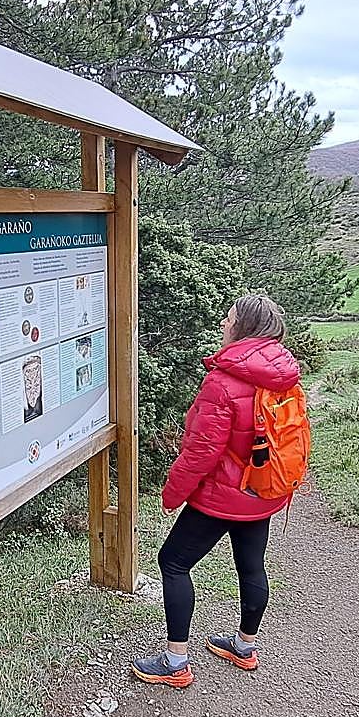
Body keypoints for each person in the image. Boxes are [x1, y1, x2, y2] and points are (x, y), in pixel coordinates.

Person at [131, 294, 300, 688]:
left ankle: (175, 661)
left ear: (243, 328)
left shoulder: (223, 382)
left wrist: (172, 494)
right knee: (251, 564)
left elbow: (201, 451)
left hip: (222, 495)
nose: (224, 325)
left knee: (173, 561)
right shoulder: (284, 375)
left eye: (229, 319)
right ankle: (244, 647)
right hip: (263, 491)